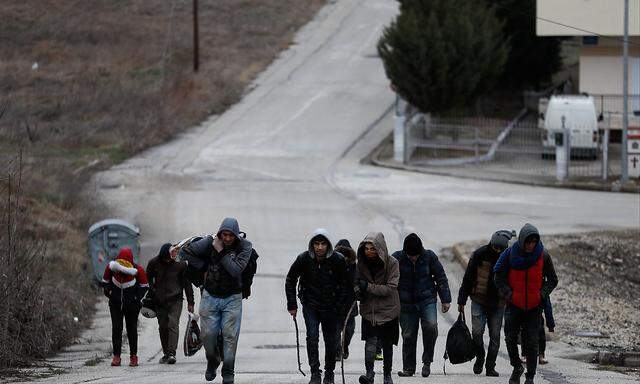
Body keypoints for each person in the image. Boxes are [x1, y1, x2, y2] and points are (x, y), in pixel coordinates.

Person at [186, 217, 253, 383]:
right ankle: (213, 360)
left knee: (230, 335)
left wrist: (221, 250)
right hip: (210, 295)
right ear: (220, 233)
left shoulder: (245, 246)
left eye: (231, 235)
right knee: (208, 335)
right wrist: (203, 265)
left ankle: (228, 371)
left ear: (236, 235)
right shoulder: (211, 242)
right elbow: (186, 251)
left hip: (233, 297)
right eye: (224, 235)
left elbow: (235, 270)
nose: (228, 238)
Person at [494, 223, 558, 384]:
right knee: (510, 339)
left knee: (532, 342)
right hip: (514, 305)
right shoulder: (510, 254)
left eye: (534, 242)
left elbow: (553, 280)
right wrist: (509, 294)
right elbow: (498, 275)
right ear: (522, 241)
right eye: (528, 242)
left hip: (534, 307)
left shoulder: (543, 255)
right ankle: (517, 367)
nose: (531, 245)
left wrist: (541, 294)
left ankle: (530, 376)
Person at [285, 229, 349, 384]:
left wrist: (340, 307)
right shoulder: (304, 259)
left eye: (323, 244)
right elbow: (290, 279)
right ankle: (315, 372)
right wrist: (292, 304)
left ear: (328, 245)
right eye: (316, 244)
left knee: (331, 340)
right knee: (312, 337)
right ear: (312, 245)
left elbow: (346, 285)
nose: (320, 247)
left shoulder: (338, 260)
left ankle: (329, 373)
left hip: (331, 306)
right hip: (310, 305)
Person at [393, 233, 451, 378]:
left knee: (431, 327)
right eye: (410, 256)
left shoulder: (429, 257)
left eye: (416, 255)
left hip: (427, 299)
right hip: (406, 303)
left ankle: (427, 362)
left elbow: (441, 277)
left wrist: (445, 299)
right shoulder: (397, 258)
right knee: (408, 335)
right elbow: (388, 278)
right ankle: (409, 368)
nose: (413, 258)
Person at [457, 230, 513, 377]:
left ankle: (490, 366)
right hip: (479, 300)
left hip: (499, 304)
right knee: (476, 332)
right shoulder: (479, 254)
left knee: (495, 336)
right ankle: (480, 356)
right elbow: (468, 278)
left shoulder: (509, 257)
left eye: (501, 248)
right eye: (496, 248)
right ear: (491, 244)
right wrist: (461, 300)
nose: (498, 251)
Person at [356, 232, 400, 384]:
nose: (369, 252)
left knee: (387, 344)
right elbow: (357, 281)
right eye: (367, 248)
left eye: (373, 249)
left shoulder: (392, 263)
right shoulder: (361, 263)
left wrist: (367, 286)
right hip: (369, 311)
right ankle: (369, 373)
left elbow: (390, 288)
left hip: (389, 311)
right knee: (370, 343)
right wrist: (358, 290)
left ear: (380, 249)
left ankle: (387, 375)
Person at [146, 243, 195, 364]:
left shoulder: (180, 265)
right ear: (165, 254)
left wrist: (190, 302)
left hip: (176, 300)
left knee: (173, 324)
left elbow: (187, 284)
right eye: (172, 252)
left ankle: (172, 353)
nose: (175, 254)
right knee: (163, 326)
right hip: (159, 301)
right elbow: (148, 278)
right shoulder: (153, 263)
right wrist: (152, 291)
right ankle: (166, 353)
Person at [102, 247, 148, 367]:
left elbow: (144, 286)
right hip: (115, 304)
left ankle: (133, 356)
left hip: (132, 306)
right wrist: (110, 293)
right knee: (116, 329)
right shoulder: (111, 268)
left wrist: (136, 298)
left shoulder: (138, 270)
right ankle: (116, 356)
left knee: (131, 329)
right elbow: (105, 282)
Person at [334, 239, 357, 361]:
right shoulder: (332, 265)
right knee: (336, 331)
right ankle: (337, 351)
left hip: (350, 305)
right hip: (336, 305)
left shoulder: (354, 267)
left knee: (349, 330)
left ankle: (345, 346)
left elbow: (357, 282)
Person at [521, 296, 555, 365]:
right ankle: (526, 354)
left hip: (536, 310)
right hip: (527, 309)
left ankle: (540, 355)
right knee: (526, 332)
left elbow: (547, 308)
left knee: (539, 332)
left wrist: (550, 325)